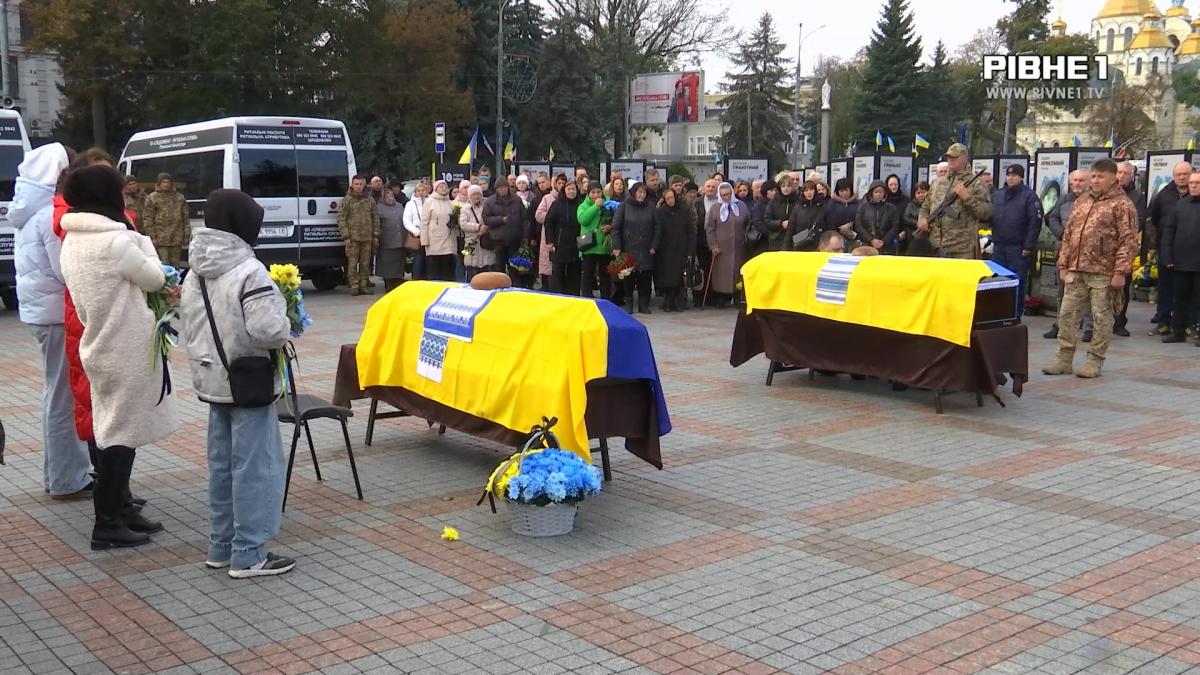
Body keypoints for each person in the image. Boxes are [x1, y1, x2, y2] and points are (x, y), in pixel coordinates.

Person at [176, 188, 295, 577]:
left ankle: (221, 545)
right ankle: (249, 552)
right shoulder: (249, 270)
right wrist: (287, 320)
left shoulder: (195, 269)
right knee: (254, 467)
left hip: (213, 379)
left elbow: (189, 324)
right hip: (249, 382)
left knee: (222, 466)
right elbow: (267, 330)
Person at [59, 165, 178, 550]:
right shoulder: (116, 241)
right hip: (125, 346)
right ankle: (107, 522)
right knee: (121, 435)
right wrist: (140, 238)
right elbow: (156, 277)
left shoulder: (72, 239)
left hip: (97, 343)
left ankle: (122, 509)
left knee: (112, 428)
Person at [13, 143, 93, 499]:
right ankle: (67, 479)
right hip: (55, 316)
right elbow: (67, 270)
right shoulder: (49, 215)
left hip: (42, 314)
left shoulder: (31, 211)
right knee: (63, 397)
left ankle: (59, 475)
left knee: (54, 394)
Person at [1043, 159, 1138, 379]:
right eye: (1093, 176)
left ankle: (1095, 361)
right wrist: (1063, 264)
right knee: (1067, 315)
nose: (1095, 180)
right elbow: (1069, 235)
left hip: (1103, 272)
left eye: (1100, 177)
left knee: (1101, 319)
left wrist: (1120, 272)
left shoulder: (1122, 205)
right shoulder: (1082, 201)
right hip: (1076, 269)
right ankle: (1063, 359)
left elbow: (1129, 241)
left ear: (1113, 178)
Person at [918, 143, 991, 259]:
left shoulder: (976, 185)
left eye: (954, 157)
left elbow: (986, 213)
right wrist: (922, 218)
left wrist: (967, 198)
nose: (950, 160)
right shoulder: (937, 182)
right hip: (935, 247)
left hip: (961, 249)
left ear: (964, 158)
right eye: (948, 157)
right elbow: (926, 206)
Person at [1148, 161, 1193, 336]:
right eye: (1178, 174)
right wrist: (1154, 245)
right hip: (1167, 249)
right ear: (1173, 176)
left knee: (1188, 289)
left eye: (1185, 174)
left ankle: (1187, 323)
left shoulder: (1196, 195)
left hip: (1191, 251)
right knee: (1165, 287)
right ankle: (1164, 322)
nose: (1182, 177)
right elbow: (1154, 218)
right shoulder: (1164, 194)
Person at [1043, 170, 1089, 339]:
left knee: (1088, 291)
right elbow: (1052, 218)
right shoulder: (1064, 199)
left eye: (1081, 180)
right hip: (1065, 252)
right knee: (1062, 291)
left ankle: (1089, 327)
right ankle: (1060, 324)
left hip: (1087, 253)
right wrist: (1061, 233)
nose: (1077, 183)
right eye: (1074, 180)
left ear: (1088, 182)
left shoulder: (1095, 200)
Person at [989, 164, 1042, 306]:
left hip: (1018, 247)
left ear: (1021, 177)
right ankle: (998, 311)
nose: (1011, 178)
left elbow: (1035, 222)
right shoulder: (998, 195)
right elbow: (989, 216)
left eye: (1014, 175)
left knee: (1016, 281)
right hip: (999, 245)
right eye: (1008, 175)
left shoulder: (1029, 196)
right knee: (997, 281)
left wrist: (1028, 246)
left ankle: (1015, 313)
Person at [1160, 172, 1200, 344]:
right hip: (1181, 260)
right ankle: (1178, 332)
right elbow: (1169, 231)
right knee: (1179, 298)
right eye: (1191, 183)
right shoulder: (1180, 205)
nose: (1193, 185)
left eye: (1197, 183)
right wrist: (1167, 256)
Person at [612, 182, 659, 314]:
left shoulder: (651, 207)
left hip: (646, 248)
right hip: (628, 247)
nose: (641, 195)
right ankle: (629, 303)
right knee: (628, 277)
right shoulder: (624, 206)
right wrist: (617, 246)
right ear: (633, 193)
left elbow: (657, 228)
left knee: (645, 277)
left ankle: (643, 304)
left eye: (644, 192)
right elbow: (616, 227)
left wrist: (654, 245)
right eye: (639, 192)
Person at [1112, 160, 1146, 337]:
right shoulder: (1107, 193)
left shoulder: (1137, 196)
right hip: (1104, 249)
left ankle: (1119, 322)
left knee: (1122, 286)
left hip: (1125, 248)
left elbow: (1139, 221)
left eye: (1125, 173)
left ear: (1132, 176)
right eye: (1119, 172)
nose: (1121, 176)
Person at [704, 182, 749, 306]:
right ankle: (721, 298)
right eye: (723, 195)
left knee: (737, 272)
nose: (727, 197)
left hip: (739, 246)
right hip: (721, 248)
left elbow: (748, 223)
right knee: (721, 274)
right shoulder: (715, 208)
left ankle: (737, 296)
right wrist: (713, 246)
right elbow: (710, 229)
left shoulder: (741, 206)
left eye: (729, 194)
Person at [483, 177, 531, 287]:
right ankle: (500, 287)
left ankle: (515, 287)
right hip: (498, 240)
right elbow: (486, 218)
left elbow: (524, 218)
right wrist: (500, 220)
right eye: (500, 188)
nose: (503, 190)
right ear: (496, 189)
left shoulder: (516, 199)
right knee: (499, 267)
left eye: (505, 187)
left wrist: (525, 235)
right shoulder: (490, 201)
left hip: (514, 239)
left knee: (514, 268)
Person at [337, 175, 379, 295]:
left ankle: (364, 285)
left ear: (364, 185)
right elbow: (341, 219)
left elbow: (375, 218)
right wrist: (346, 236)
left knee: (365, 264)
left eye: (361, 184)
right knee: (352, 263)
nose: (359, 186)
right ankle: (354, 285)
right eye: (356, 184)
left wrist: (376, 235)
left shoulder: (369, 200)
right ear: (352, 185)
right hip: (352, 238)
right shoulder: (347, 200)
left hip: (367, 237)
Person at [654, 187, 693, 312]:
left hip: (681, 248)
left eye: (672, 197)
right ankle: (668, 301)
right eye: (668, 198)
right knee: (666, 276)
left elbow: (690, 231)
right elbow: (657, 230)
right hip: (665, 249)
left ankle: (678, 301)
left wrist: (690, 251)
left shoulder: (684, 210)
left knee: (679, 276)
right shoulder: (660, 211)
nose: (670, 200)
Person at [543, 181, 585, 295]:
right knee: (557, 274)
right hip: (559, 244)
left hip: (576, 244)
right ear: (564, 191)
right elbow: (549, 222)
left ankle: (573, 297)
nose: (571, 192)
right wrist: (550, 241)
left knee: (574, 274)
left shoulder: (581, 204)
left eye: (573, 189)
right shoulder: (557, 204)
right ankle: (557, 296)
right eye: (569, 189)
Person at [140, 172, 189, 268]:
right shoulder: (152, 198)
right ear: (159, 184)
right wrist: (152, 237)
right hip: (161, 239)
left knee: (176, 266)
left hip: (176, 238)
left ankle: (175, 278)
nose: (166, 184)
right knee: (163, 266)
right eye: (164, 182)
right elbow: (148, 218)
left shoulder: (179, 197)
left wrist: (186, 235)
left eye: (168, 182)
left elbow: (185, 218)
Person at [578, 181, 614, 300]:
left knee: (605, 276)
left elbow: (616, 218)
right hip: (589, 246)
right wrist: (595, 206)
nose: (596, 195)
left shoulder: (608, 203)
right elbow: (583, 220)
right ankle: (587, 299)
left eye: (598, 192)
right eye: (593, 192)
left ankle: (606, 299)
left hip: (604, 246)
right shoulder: (583, 206)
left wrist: (610, 227)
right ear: (588, 194)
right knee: (587, 275)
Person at [419, 180, 458, 281]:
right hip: (434, 241)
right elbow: (424, 222)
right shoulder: (429, 202)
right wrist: (424, 241)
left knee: (448, 270)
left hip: (449, 240)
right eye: (440, 186)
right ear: (435, 189)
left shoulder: (451, 203)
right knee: (434, 269)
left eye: (445, 186)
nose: (443, 188)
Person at [458, 185, 495, 279]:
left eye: (478, 194)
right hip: (472, 242)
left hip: (486, 241)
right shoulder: (465, 208)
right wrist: (478, 227)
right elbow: (463, 224)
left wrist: (486, 227)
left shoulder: (487, 205)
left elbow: (492, 219)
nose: (476, 196)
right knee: (473, 274)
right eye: (474, 194)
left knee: (487, 274)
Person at [693, 179, 719, 306]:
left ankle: (712, 297)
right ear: (704, 188)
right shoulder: (697, 202)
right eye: (708, 186)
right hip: (700, 240)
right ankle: (699, 296)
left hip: (716, 240)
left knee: (713, 270)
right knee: (701, 269)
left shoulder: (720, 202)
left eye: (713, 187)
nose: (710, 189)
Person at [376, 187, 407, 291]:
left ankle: (398, 279)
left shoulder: (399, 206)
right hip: (386, 239)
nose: (390, 198)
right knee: (387, 261)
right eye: (387, 197)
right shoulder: (379, 208)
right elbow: (376, 223)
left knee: (399, 260)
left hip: (400, 238)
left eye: (391, 196)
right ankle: (388, 282)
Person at [818, 178, 860, 250]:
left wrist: (851, 225)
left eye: (846, 190)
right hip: (836, 239)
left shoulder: (858, 203)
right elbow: (829, 221)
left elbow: (860, 219)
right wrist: (839, 229)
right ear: (837, 191)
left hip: (854, 238)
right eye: (841, 191)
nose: (844, 193)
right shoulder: (831, 203)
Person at [887, 180, 928, 255]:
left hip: (928, 236)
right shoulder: (911, 205)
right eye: (918, 193)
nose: (921, 195)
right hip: (913, 236)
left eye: (923, 192)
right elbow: (906, 218)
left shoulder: (932, 205)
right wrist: (918, 223)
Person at [761, 174, 798, 252]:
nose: (786, 188)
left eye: (788, 186)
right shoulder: (773, 202)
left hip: (794, 239)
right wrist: (780, 223)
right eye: (783, 186)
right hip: (776, 239)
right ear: (780, 187)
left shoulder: (798, 201)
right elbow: (767, 220)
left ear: (792, 187)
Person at [853, 181, 893, 251]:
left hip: (886, 245)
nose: (878, 194)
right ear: (871, 193)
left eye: (881, 192)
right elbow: (859, 225)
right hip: (866, 244)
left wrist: (884, 241)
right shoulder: (863, 207)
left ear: (884, 193)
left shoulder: (891, 208)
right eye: (876, 192)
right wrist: (871, 239)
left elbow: (895, 226)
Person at [403, 183, 427, 281]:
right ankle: (416, 279)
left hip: (429, 235)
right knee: (418, 259)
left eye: (423, 190)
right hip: (417, 235)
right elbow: (406, 220)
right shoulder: (410, 204)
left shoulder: (429, 202)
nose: (421, 193)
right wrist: (416, 231)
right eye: (418, 191)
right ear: (415, 192)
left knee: (427, 260)